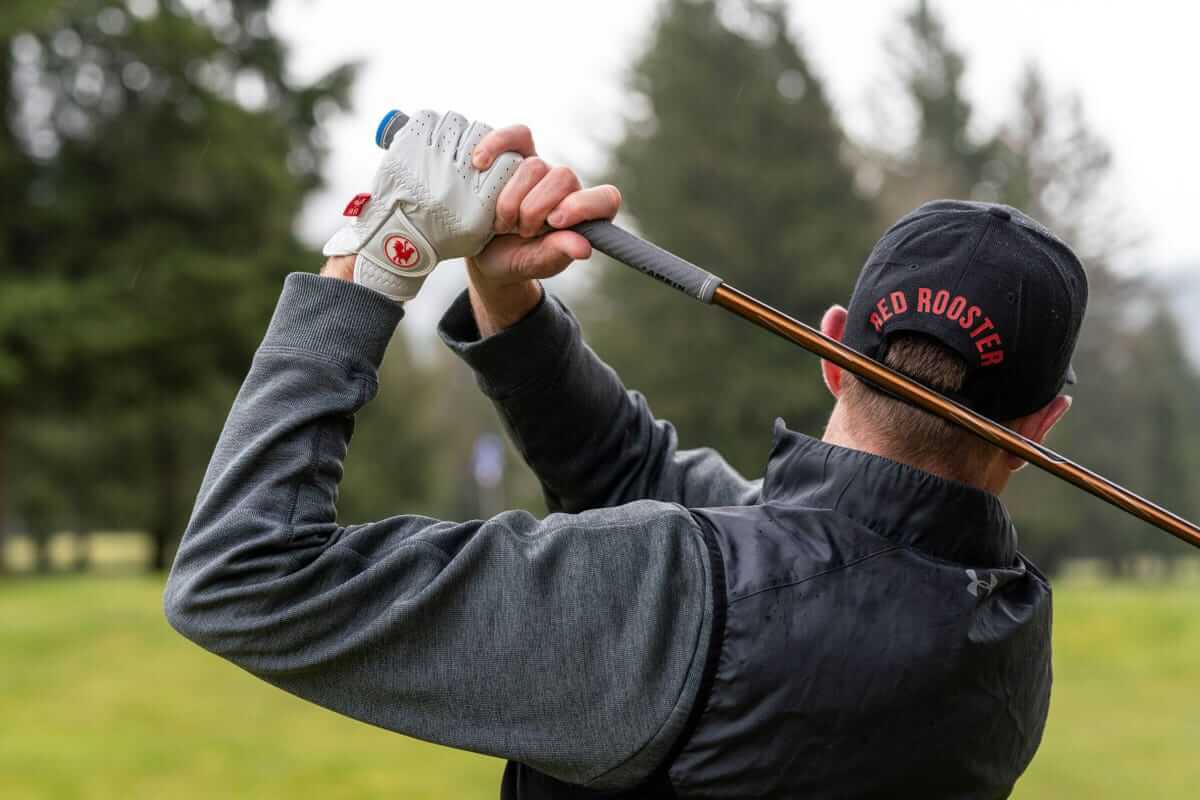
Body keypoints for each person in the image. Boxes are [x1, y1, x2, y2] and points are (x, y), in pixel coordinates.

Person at [164, 110, 1087, 799]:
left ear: (832, 347)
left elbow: (244, 574)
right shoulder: (1005, 636)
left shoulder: (700, 591)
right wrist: (505, 295)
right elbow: (679, 511)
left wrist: (379, 254)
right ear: (1042, 424)